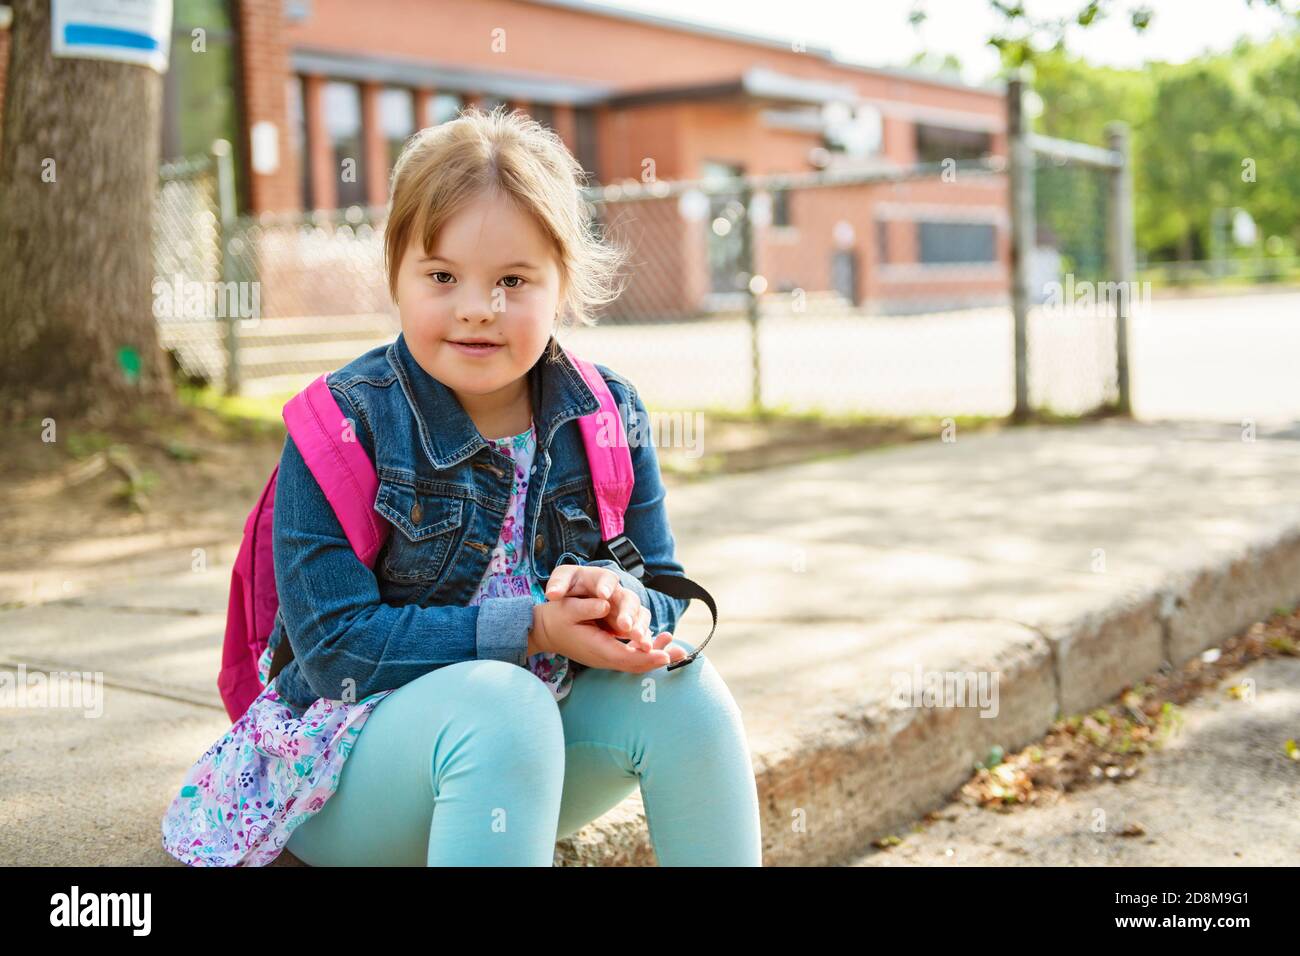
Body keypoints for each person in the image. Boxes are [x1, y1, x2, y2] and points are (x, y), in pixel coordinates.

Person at [161, 106, 762, 866]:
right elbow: (337, 655)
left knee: (685, 691)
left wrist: (625, 603)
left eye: (514, 279)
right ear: (396, 276)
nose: (478, 307)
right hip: (342, 780)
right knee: (502, 706)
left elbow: (662, 584)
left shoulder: (606, 413)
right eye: (442, 275)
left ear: (563, 283)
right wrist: (534, 627)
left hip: (523, 767)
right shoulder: (343, 427)